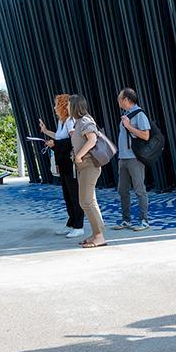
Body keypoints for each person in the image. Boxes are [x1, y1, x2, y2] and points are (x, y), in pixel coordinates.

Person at [38, 94, 85, 239]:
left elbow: (73, 140)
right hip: (63, 161)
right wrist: (46, 132)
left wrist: (55, 144)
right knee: (67, 194)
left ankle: (79, 226)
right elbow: (59, 137)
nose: (54, 107)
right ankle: (71, 222)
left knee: (74, 194)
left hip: (70, 162)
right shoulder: (62, 121)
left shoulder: (71, 121)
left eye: (56, 104)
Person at [67, 94, 107, 249]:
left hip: (89, 165)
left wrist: (79, 155)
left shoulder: (85, 120)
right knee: (89, 201)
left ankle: (99, 236)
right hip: (84, 167)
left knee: (86, 201)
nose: (67, 108)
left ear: (75, 106)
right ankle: (97, 233)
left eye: (69, 105)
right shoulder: (78, 122)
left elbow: (92, 139)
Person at [112, 88, 152, 231]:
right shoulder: (126, 114)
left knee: (139, 190)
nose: (118, 101)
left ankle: (144, 221)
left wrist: (129, 126)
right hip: (123, 158)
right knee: (122, 190)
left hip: (135, 158)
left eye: (119, 98)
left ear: (126, 100)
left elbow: (146, 136)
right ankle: (126, 220)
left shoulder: (139, 114)